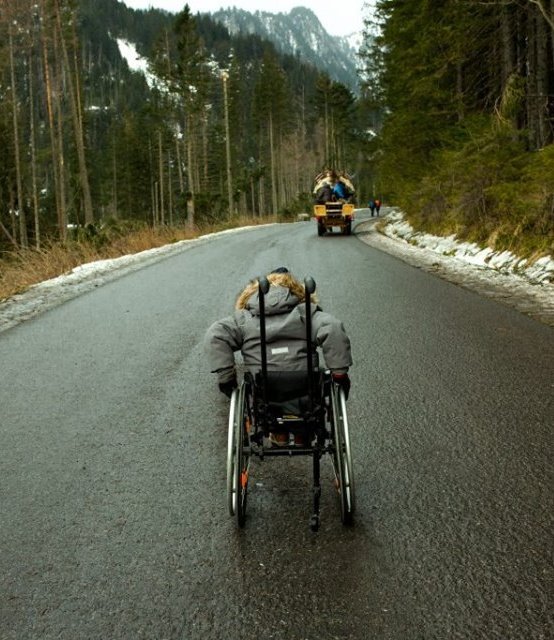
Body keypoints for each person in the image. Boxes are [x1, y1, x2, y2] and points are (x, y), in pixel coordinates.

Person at [204, 267, 352, 410]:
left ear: (253, 293)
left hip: (262, 384)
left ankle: (276, 429)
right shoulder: (306, 313)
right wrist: (339, 374)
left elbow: (216, 334)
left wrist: (226, 377)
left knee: (256, 392)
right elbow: (332, 328)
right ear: (295, 290)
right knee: (318, 381)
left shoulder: (244, 319)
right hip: (305, 381)